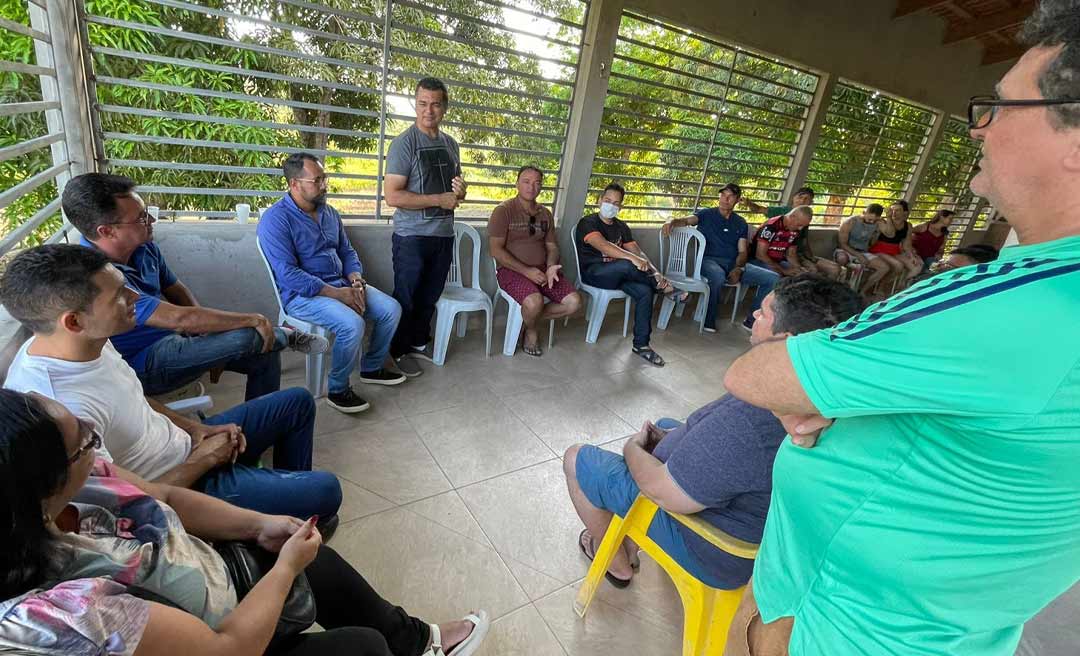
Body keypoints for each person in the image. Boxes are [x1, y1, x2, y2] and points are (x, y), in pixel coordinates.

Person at [719, 3, 1080, 653]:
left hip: (851, 629)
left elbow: (756, 372)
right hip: (946, 628)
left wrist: (808, 386)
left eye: (999, 107)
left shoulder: (1013, 302)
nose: (979, 129)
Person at [0, 388, 490, 656]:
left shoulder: (83, 477)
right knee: (359, 645)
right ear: (42, 483)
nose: (94, 436)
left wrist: (258, 524)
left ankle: (419, 642)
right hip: (219, 639)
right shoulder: (61, 614)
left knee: (307, 552)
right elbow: (224, 649)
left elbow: (165, 495)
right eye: (83, 440)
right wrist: (280, 572)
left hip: (208, 570)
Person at [1, 245, 342, 522]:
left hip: (187, 445)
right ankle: (269, 511)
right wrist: (205, 461)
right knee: (327, 490)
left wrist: (197, 431)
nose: (136, 298)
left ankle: (282, 513)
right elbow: (130, 504)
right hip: (181, 485)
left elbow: (136, 397)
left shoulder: (92, 340)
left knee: (297, 402)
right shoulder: (58, 410)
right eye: (120, 295)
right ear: (73, 321)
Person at [563, 275, 862, 588]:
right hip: (756, 520)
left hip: (715, 550)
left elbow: (665, 491)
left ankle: (619, 563)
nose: (754, 317)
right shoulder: (831, 396)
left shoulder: (751, 421)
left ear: (786, 339)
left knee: (576, 459)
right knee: (666, 424)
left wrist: (632, 449)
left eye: (763, 314)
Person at [62, 173, 327, 402]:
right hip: (146, 363)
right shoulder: (97, 275)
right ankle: (287, 335)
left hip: (180, 340)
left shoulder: (144, 247)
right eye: (141, 218)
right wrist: (253, 319)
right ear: (107, 231)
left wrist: (207, 338)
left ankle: (263, 424)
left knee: (264, 348)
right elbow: (179, 318)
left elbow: (177, 290)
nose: (151, 222)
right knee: (254, 334)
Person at [258, 153, 406, 414]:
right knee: (352, 325)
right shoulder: (275, 220)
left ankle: (371, 367)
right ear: (294, 184)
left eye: (324, 178)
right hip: (303, 297)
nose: (324, 185)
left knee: (391, 309)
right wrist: (338, 295)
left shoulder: (329, 213)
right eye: (317, 180)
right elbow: (288, 274)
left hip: (342, 284)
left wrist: (356, 280)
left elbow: (347, 252)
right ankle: (337, 389)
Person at [383, 77, 467, 377]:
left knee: (430, 295)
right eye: (422, 103)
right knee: (406, 297)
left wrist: (459, 192)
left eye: (435, 104)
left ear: (444, 107)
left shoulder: (450, 144)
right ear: (415, 104)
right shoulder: (404, 144)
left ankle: (417, 342)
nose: (428, 110)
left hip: (443, 235)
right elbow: (392, 196)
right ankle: (393, 352)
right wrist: (439, 200)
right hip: (412, 237)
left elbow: (453, 192)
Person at [575, 183, 687, 367]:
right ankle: (667, 289)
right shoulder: (588, 222)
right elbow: (604, 246)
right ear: (599, 201)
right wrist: (632, 259)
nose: (611, 205)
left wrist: (656, 272)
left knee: (644, 291)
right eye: (607, 200)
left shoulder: (622, 227)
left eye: (616, 203)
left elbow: (639, 253)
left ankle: (641, 345)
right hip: (594, 273)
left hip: (621, 276)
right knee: (628, 264)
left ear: (621, 207)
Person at [487, 165, 582, 356]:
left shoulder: (545, 214)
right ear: (517, 184)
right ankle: (531, 330)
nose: (531, 187)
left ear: (541, 187)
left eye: (537, 183)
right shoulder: (504, 211)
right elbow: (495, 250)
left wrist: (551, 267)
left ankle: (527, 320)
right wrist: (526, 271)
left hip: (543, 271)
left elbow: (552, 247)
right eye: (526, 181)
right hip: (511, 272)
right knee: (533, 302)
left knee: (575, 303)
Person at [662, 183, 777, 332]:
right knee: (717, 276)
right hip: (708, 261)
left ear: (737, 200)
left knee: (772, 278)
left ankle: (751, 321)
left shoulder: (740, 223)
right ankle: (708, 320)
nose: (725, 199)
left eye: (730, 196)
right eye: (723, 195)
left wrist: (739, 268)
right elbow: (686, 220)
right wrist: (671, 222)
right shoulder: (706, 214)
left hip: (733, 264)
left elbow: (742, 252)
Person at [741, 186, 842, 280]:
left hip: (791, 256)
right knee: (807, 272)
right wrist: (749, 203)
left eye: (807, 199)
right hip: (768, 258)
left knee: (816, 272)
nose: (802, 201)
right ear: (794, 197)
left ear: (811, 203)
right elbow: (760, 254)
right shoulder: (776, 221)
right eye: (800, 197)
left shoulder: (802, 221)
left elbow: (794, 250)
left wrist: (800, 267)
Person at [744, 206, 813, 329]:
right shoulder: (771, 226)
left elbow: (791, 254)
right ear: (792, 217)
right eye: (799, 224)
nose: (801, 228)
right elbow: (760, 255)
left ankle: (787, 319)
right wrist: (784, 270)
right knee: (774, 278)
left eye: (803, 226)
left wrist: (799, 269)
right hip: (756, 261)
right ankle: (751, 320)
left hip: (777, 261)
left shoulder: (795, 229)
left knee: (804, 278)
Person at [835, 203, 890, 295]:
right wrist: (858, 255)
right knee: (842, 259)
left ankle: (862, 291)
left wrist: (877, 233)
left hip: (863, 251)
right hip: (846, 249)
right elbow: (842, 244)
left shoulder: (877, 224)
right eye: (869, 219)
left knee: (884, 267)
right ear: (864, 212)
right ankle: (838, 287)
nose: (872, 222)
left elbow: (872, 243)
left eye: (874, 220)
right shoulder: (850, 222)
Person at [867, 200, 923, 290]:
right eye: (892, 210)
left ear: (904, 213)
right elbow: (889, 234)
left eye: (897, 210)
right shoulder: (882, 222)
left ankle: (899, 286)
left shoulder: (908, 225)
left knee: (916, 267)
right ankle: (881, 287)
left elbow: (907, 244)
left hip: (894, 251)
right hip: (879, 250)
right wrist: (888, 219)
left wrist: (911, 256)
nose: (894, 212)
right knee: (898, 265)